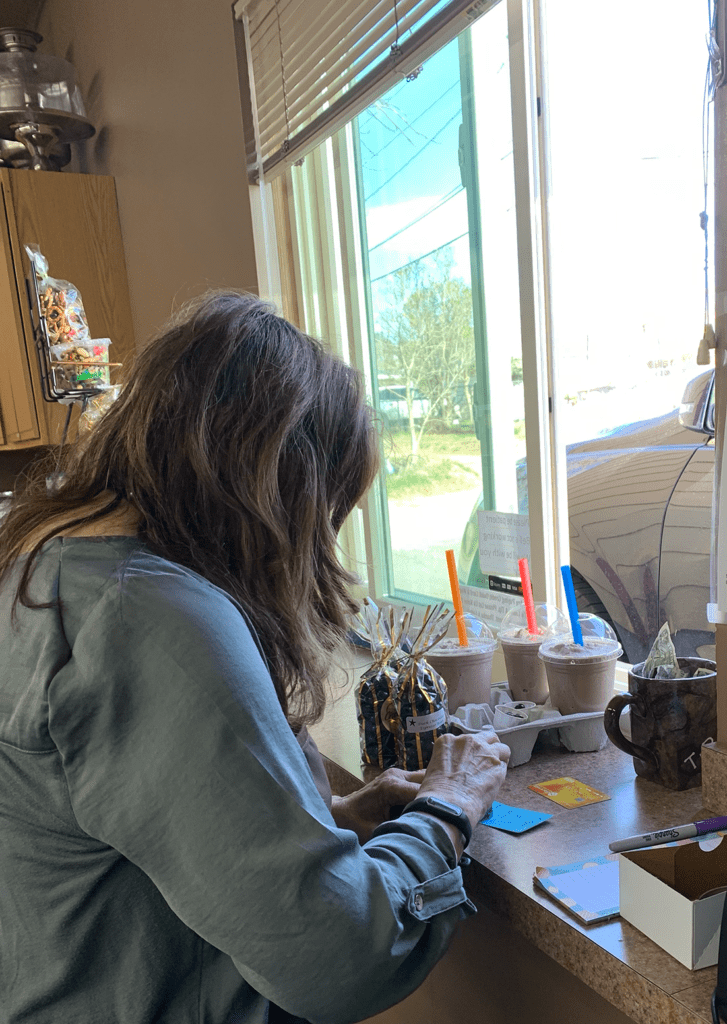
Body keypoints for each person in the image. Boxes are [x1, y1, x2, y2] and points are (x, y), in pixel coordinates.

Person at [0, 290, 509, 1024]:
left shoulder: (39, 564)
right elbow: (340, 960)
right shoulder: (148, 617)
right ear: (280, 493)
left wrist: (322, 815)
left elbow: (111, 828)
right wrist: (447, 810)